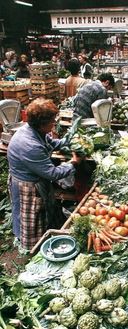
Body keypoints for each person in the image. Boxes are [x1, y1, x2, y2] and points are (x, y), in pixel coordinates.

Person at [7, 98, 81, 251]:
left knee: (42, 213)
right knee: (31, 217)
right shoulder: (30, 145)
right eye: (52, 122)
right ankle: (32, 248)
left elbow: (51, 144)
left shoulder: (36, 131)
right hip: (27, 185)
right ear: (41, 124)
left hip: (35, 178)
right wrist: (73, 163)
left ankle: (43, 236)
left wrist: (69, 140)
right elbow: (52, 173)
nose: (54, 124)